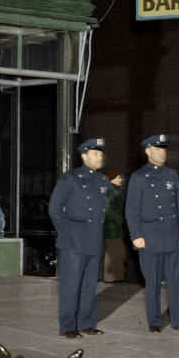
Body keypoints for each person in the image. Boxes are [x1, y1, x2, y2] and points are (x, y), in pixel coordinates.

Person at [125, 134, 179, 333]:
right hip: (150, 237)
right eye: (157, 149)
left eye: (164, 149)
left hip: (172, 235)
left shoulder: (172, 175)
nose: (162, 153)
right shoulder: (139, 177)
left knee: (177, 282)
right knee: (153, 282)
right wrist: (136, 235)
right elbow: (131, 210)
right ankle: (154, 321)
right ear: (148, 151)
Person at [48, 137, 110, 338]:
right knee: (71, 285)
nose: (99, 157)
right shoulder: (71, 179)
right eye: (95, 153)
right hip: (73, 240)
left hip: (94, 239)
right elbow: (54, 209)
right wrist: (67, 234)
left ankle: (87, 323)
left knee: (90, 284)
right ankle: (68, 326)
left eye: (101, 154)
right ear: (84, 156)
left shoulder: (102, 180)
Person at [103, 174, 127, 282]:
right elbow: (108, 208)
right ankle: (112, 277)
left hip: (113, 226)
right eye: (120, 177)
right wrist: (119, 220)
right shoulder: (112, 190)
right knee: (114, 251)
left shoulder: (113, 189)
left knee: (115, 252)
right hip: (112, 227)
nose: (122, 180)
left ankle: (115, 276)